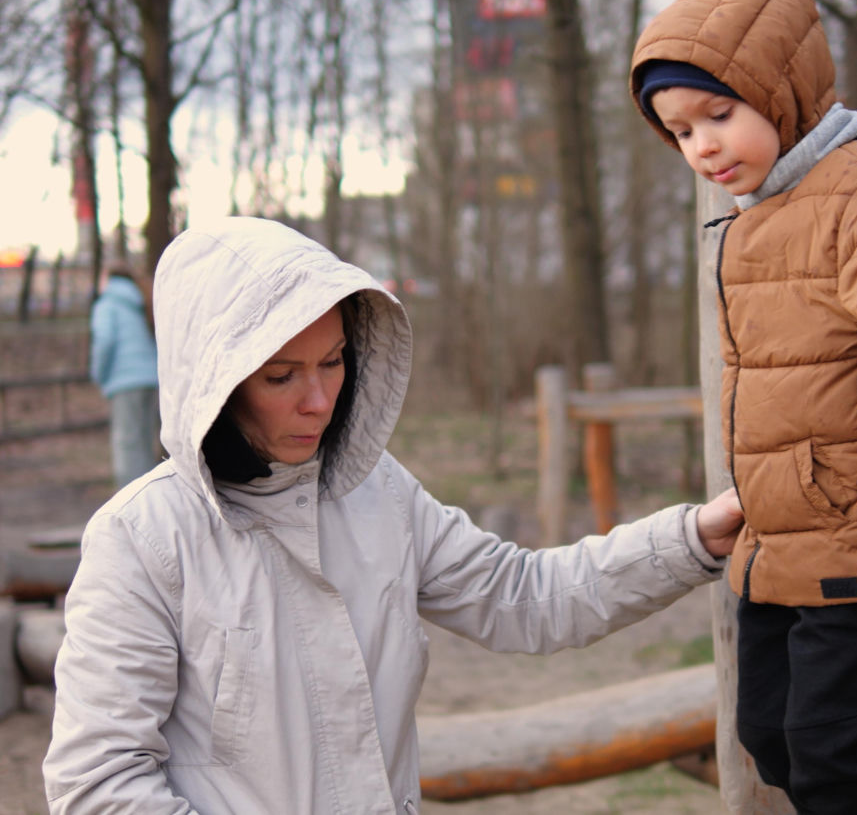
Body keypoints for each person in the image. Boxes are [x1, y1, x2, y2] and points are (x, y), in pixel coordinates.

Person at [44, 216, 744, 814]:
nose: (318, 400)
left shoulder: (378, 492)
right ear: (213, 384)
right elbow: (97, 785)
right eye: (281, 376)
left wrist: (687, 542)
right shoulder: (140, 540)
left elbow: (525, 597)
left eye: (334, 361)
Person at [629, 0, 857, 813]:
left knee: (832, 754)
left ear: (782, 89)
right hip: (774, 546)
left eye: (718, 114)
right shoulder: (756, 209)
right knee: (769, 735)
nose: (702, 147)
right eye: (679, 132)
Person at [89, 265, 160, 489]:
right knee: (146, 443)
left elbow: (104, 341)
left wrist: (98, 374)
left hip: (125, 381)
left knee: (128, 446)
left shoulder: (107, 304)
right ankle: (153, 499)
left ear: (108, 279)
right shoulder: (140, 301)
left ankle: (131, 506)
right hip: (151, 379)